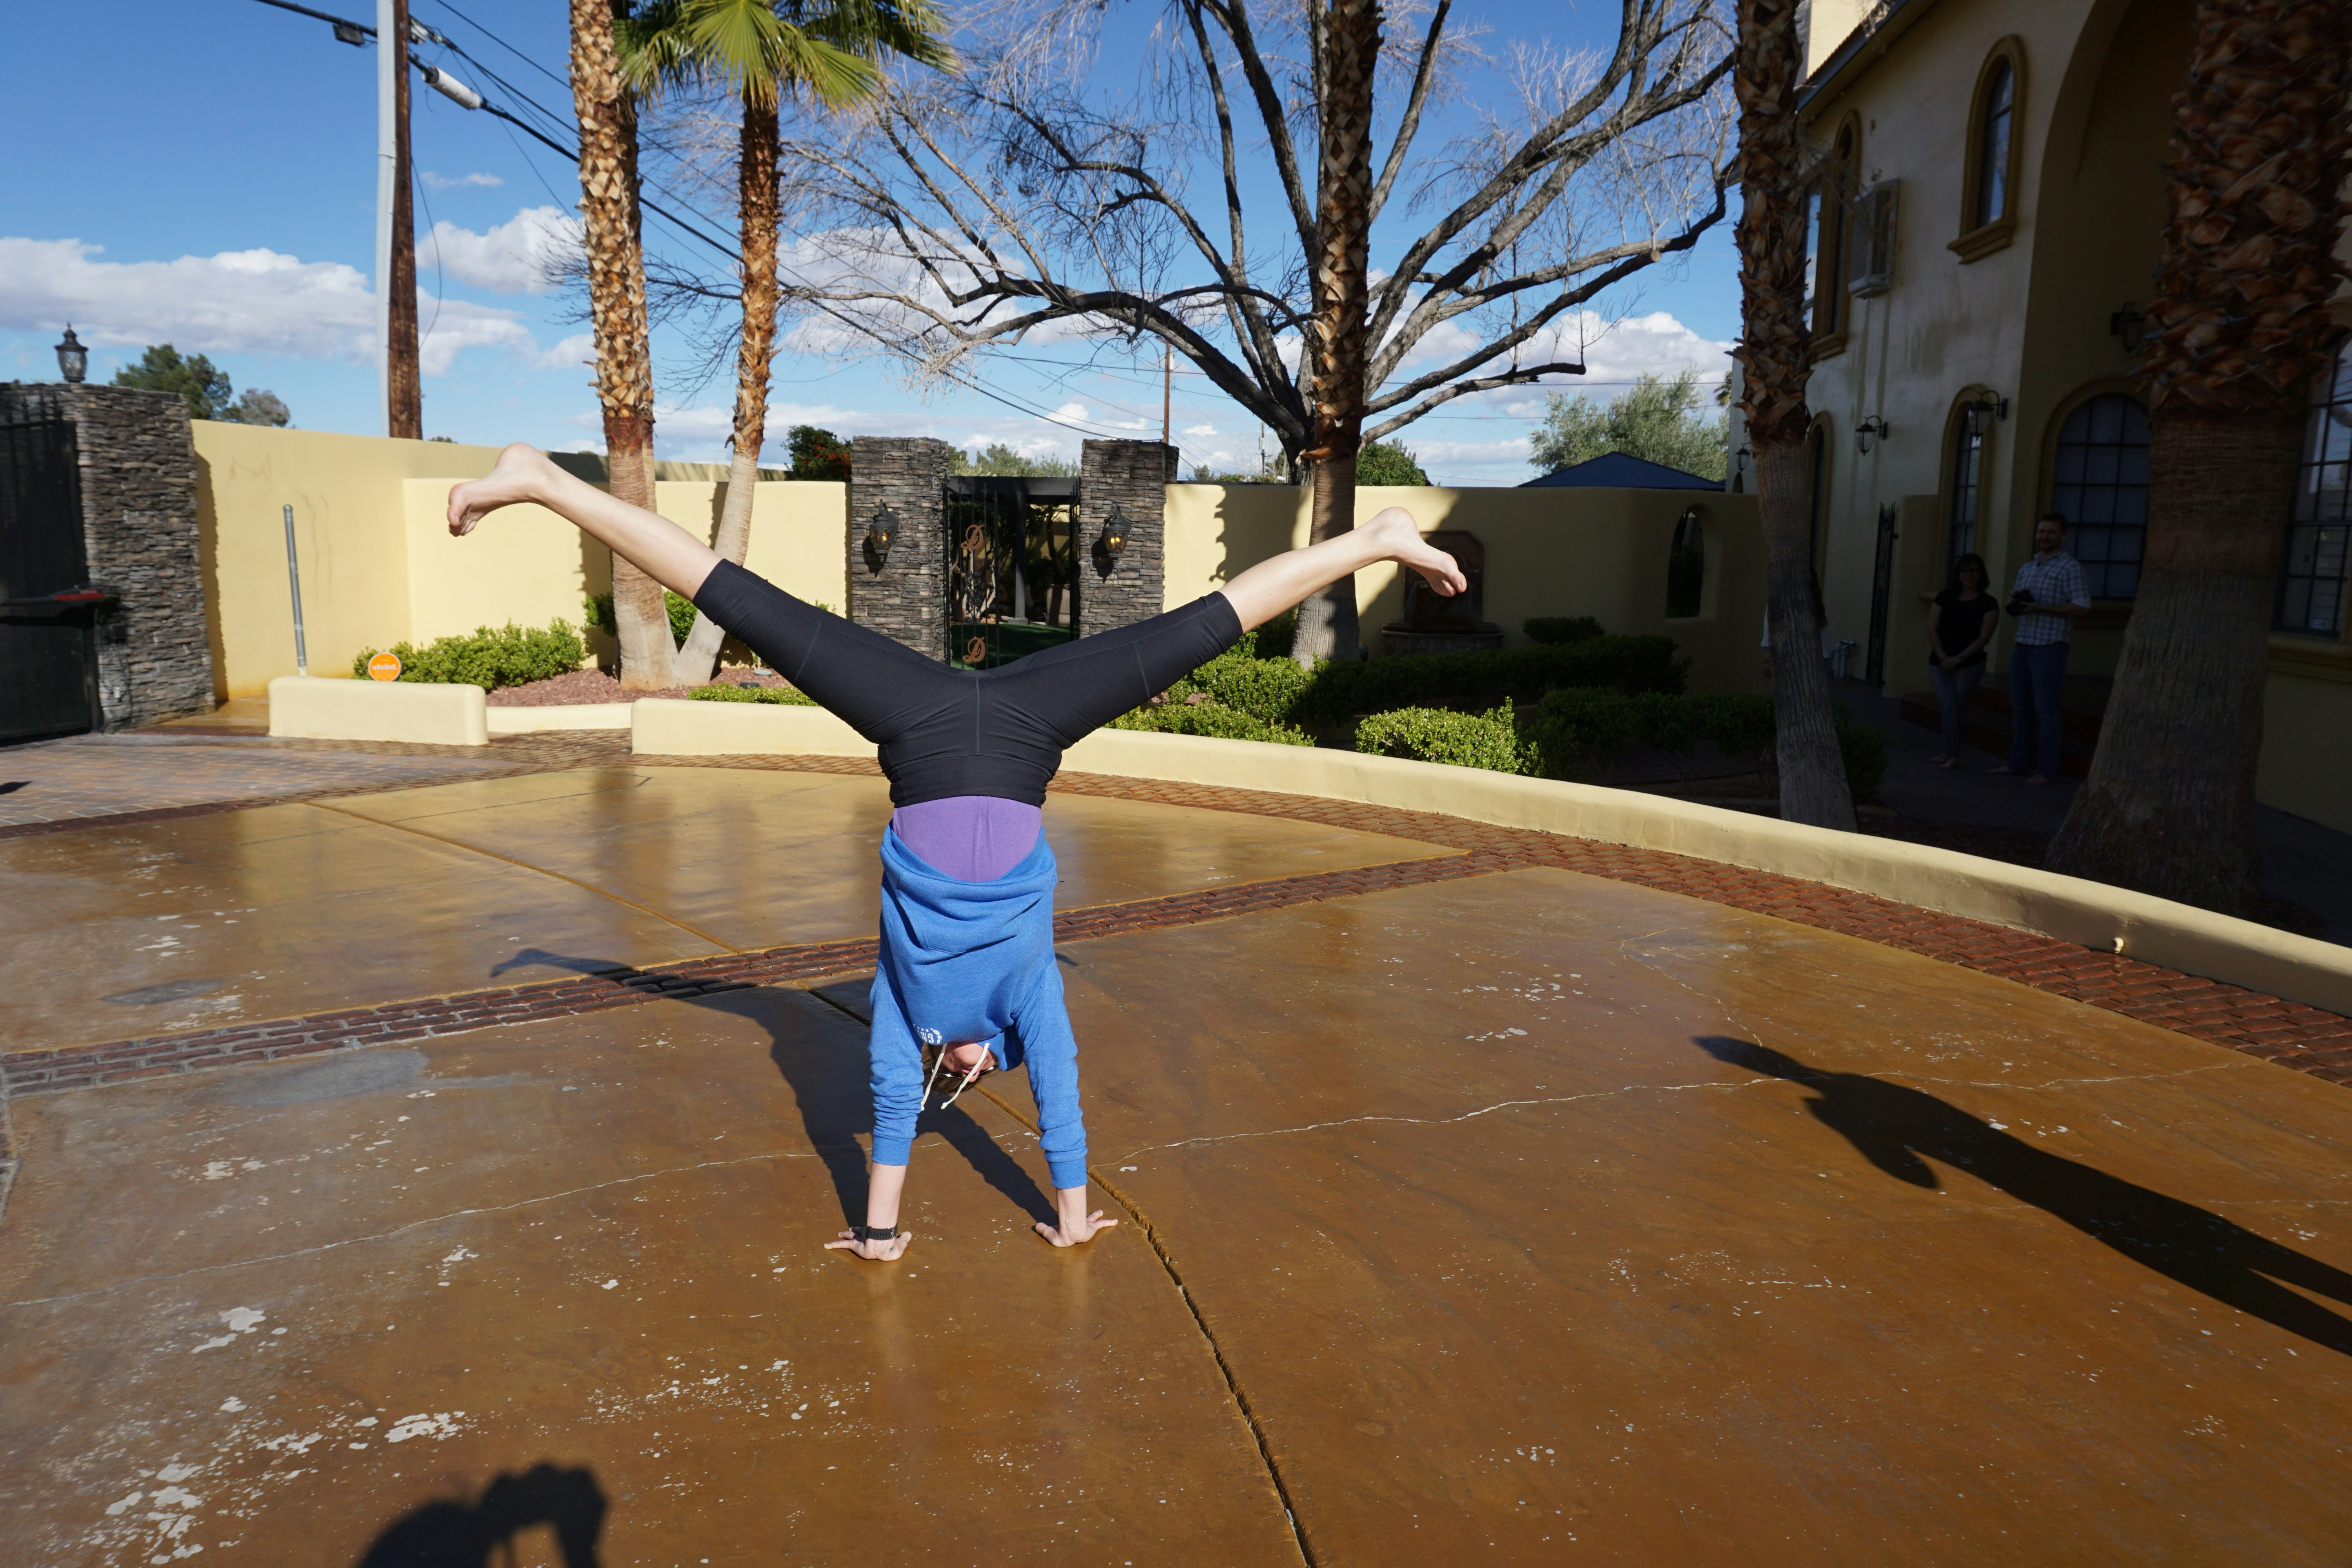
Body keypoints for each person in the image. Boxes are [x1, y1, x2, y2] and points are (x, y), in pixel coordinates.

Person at [445, 443, 1466, 1263]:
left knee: (738, 598)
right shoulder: (1025, 1006)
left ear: (951, 1060)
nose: (968, 1078)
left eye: (959, 1078)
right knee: (1203, 627)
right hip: (1024, 736)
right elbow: (1056, 1099)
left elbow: (893, 1109)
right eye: (975, 1082)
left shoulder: (911, 1014)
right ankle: (1370, 540)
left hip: (923, 733)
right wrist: (1068, 1217)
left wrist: (883, 1231)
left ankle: (542, 482)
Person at [1993, 512, 2090, 785]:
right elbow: (2019, 606)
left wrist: (2041, 607)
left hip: (2050, 646)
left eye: (2050, 533)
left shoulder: (2070, 568)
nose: (2044, 537)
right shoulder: (2028, 567)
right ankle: (2018, 763)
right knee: (2021, 708)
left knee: (2046, 710)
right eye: (2041, 532)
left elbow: (2082, 607)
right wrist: (2018, 603)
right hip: (2024, 643)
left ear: (2063, 535)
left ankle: (2046, 770)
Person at [1926, 552, 1998, 768]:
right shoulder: (1945, 597)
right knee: (1949, 707)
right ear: (1958, 574)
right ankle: (1950, 751)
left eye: (1974, 571)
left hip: (1970, 665)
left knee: (1959, 706)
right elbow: (1932, 627)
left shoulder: (1989, 603)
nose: (1969, 575)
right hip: (1940, 663)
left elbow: (1984, 638)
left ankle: (1953, 755)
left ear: (1981, 574)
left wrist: (1958, 659)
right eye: (1964, 571)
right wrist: (1943, 657)